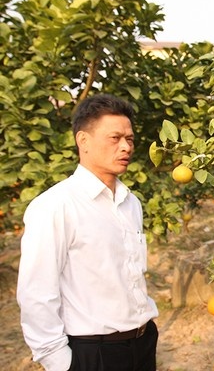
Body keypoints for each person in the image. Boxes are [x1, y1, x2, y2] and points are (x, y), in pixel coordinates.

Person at [17, 94, 159, 371]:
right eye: (115, 138)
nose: (125, 147)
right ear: (83, 140)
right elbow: (37, 293)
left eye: (129, 139)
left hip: (142, 342)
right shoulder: (55, 206)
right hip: (94, 351)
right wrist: (60, 362)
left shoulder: (130, 202)